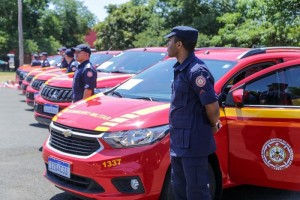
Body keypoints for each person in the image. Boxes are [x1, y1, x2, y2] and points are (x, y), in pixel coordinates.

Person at [165, 26, 221, 200]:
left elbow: (212, 106)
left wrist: (213, 125)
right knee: (179, 191)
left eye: (170, 41)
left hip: (194, 145)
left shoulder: (196, 71)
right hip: (178, 144)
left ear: (179, 44)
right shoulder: (181, 69)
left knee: (197, 193)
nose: (167, 44)